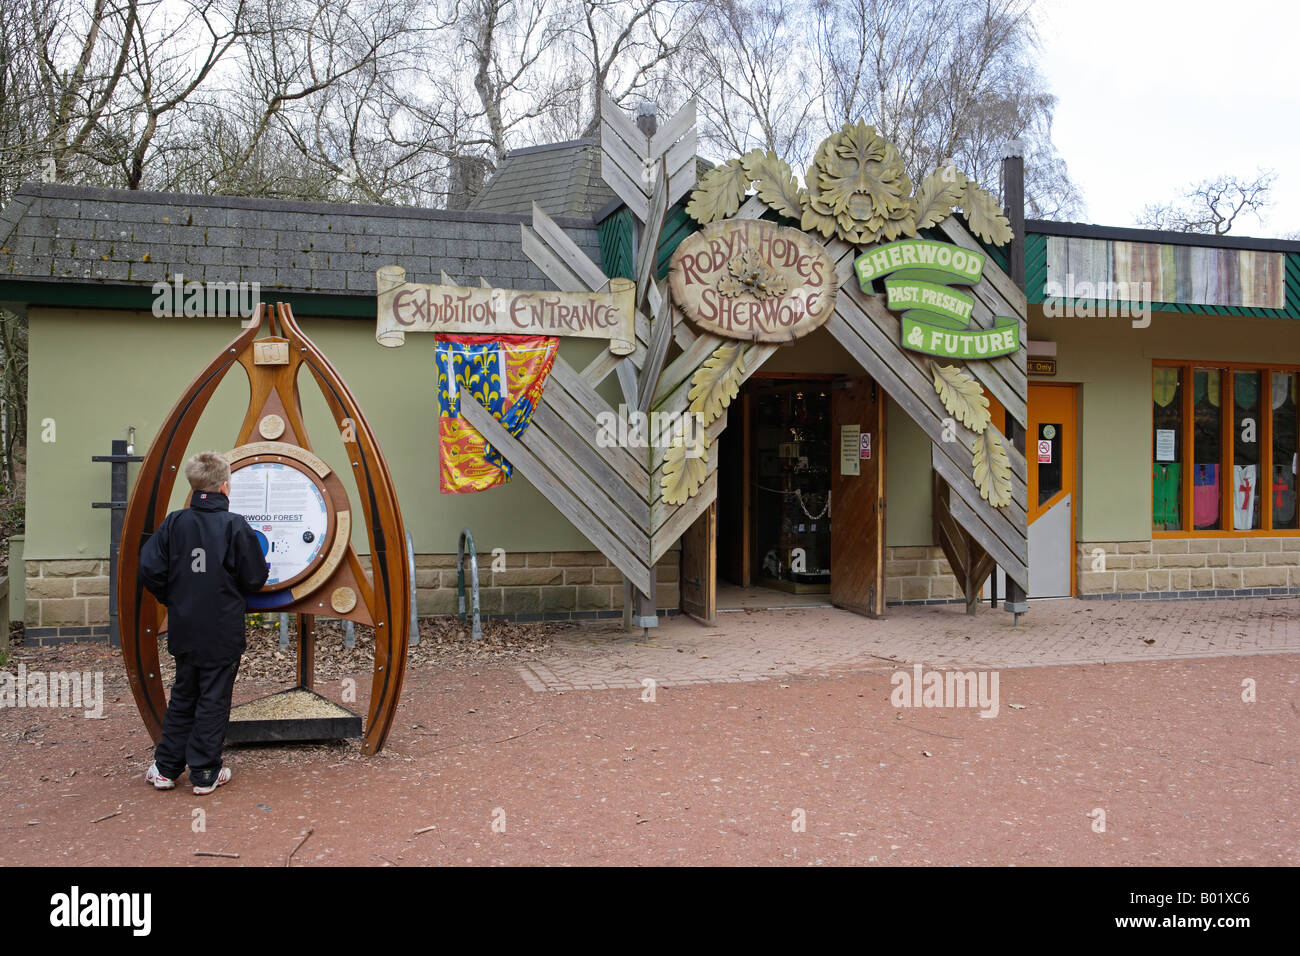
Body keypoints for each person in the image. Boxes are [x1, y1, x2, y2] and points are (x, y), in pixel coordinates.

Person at [138, 450, 269, 795]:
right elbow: (254, 577)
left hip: (185, 625)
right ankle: (205, 772)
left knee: (184, 694)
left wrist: (174, 597)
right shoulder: (235, 525)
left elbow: (150, 568)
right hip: (222, 628)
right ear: (225, 487)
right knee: (214, 698)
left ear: (194, 486)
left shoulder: (174, 523)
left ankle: (165, 769)